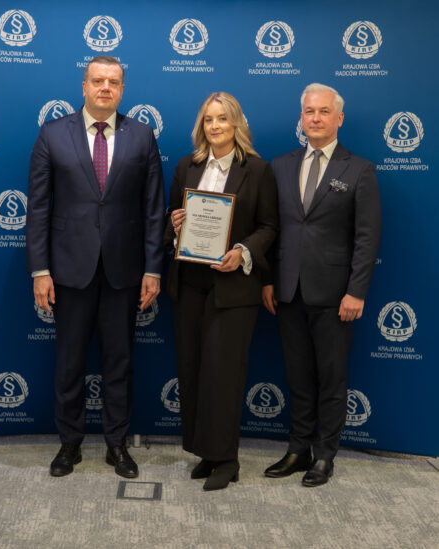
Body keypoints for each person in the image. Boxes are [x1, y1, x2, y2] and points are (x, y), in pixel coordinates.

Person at [26, 55, 165, 478]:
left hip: (124, 270)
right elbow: (38, 208)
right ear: (84, 86)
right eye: (98, 80)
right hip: (69, 270)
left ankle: (116, 444)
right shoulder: (52, 133)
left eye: (114, 82)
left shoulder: (142, 135)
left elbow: (153, 209)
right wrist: (40, 270)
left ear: (122, 90)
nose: (106, 88)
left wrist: (154, 269)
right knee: (69, 361)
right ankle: (69, 444)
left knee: (119, 361)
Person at [263, 83, 381, 487]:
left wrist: (357, 291)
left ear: (339, 118)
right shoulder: (280, 165)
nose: (315, 118)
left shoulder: (359, 169)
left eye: (324, 111)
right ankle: (298, 449)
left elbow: (367, 237)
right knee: (298, 377)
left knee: (331, 379)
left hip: (335, 295)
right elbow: (271, 228)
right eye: (309, 111)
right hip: (287, 291)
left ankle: (325, 455)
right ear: (301, 117)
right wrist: (268, 281)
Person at [164, 92, 278, 491]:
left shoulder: (257, 170)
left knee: (223, 374)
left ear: (236, 125)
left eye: (223, 119)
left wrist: (242, 252)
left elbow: (269, 227)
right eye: (209, 119)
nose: (215, 126)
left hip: (234, 289)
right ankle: (206, 453)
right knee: (193, 370)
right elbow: (169, 221)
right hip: (190, 286)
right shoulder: (187, 166)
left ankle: (228, 460)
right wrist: (175, 224)